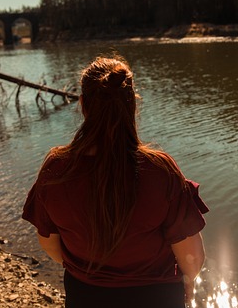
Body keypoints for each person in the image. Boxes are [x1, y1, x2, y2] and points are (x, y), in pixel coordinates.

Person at [22, 56, 208, 308]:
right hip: (156, 297)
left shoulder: (56, 169)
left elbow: (50, 245)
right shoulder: (159, 171)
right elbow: (192, 258)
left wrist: (90, 270)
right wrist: (189, 279)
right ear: (132, 105)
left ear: (83, 104)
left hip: (85, 296)